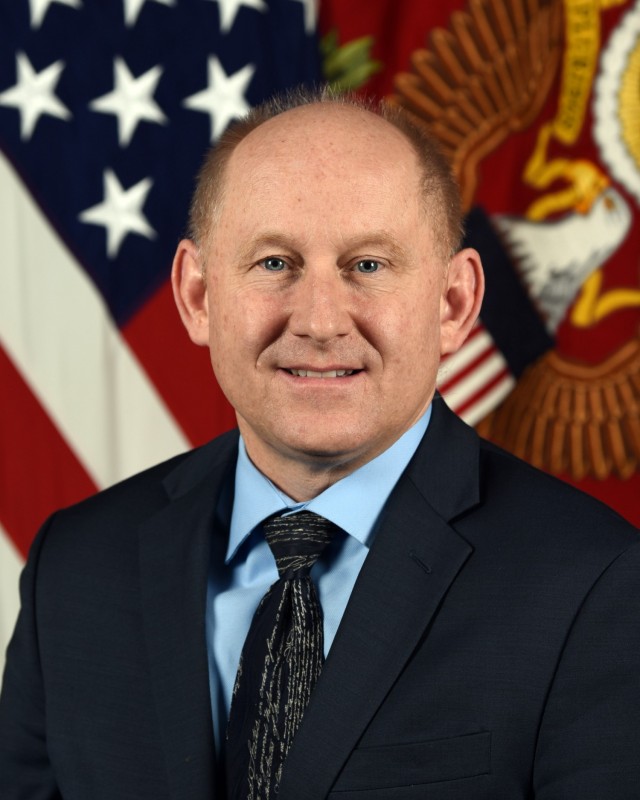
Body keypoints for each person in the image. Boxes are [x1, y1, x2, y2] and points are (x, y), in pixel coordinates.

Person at [1, 88, 639, 800]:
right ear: (198, 297)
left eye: (368, 264)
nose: (321, 320)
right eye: (275, 263)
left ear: (453, 303)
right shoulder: (78, 569)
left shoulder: (595, 587)